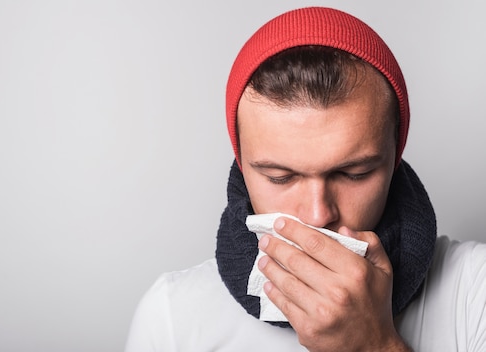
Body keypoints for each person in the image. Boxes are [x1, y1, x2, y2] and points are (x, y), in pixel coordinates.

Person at [125, 6, 486, 352]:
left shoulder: (475, 288)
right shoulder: (171, 315)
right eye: (280, 177)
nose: (317, 215)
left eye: (353, 174)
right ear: (242, 165)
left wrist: (373, 345)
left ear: (395, 156)